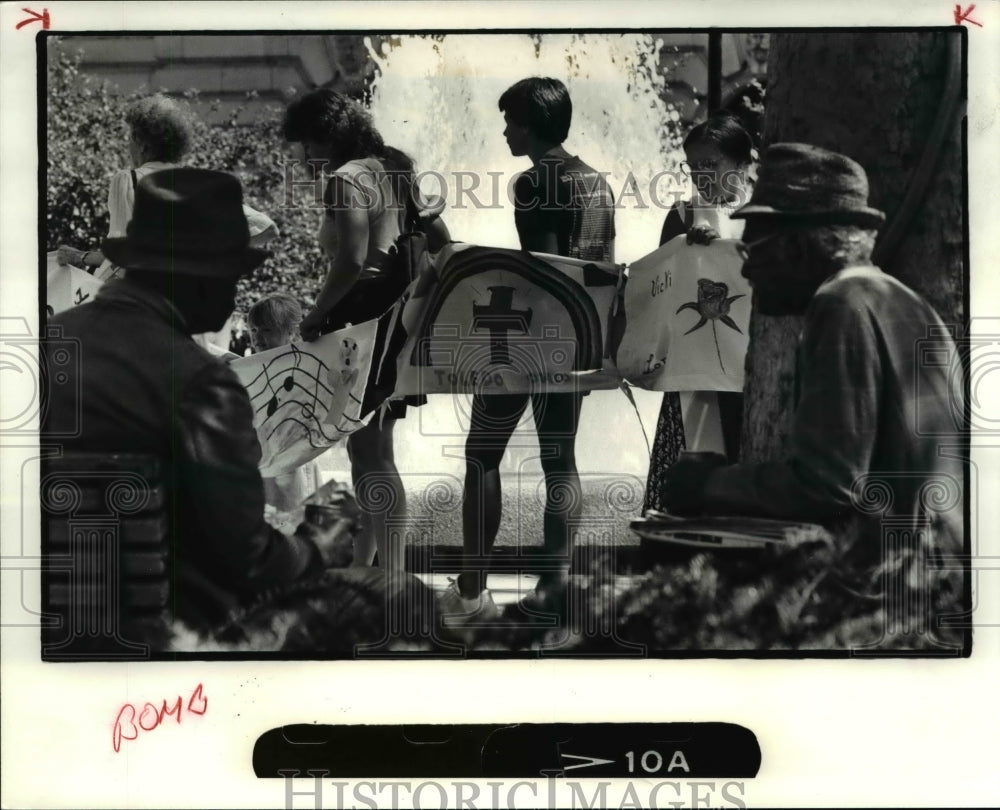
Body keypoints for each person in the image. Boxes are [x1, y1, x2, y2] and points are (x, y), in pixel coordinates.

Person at [43, 168, 348, 636]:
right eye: (230, 277)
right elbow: (246, 558)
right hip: (154, 631)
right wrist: (318, 543)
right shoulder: (200, 383)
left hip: (47, 620)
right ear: (198, 278)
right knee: (383, 607)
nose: (231, 300)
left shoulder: (51, 341)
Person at [660, 143, 963, 572]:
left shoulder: (839, 306)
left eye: (752, 252)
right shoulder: (899, 299)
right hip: (930, 564)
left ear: (798, 247)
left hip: (896, 583)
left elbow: (826, 486)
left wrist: (710, 484)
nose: (746, 272)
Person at [441, 77, 617, 620]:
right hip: (583, 335)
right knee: (560, 459)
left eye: (511, 121)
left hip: (530, 338)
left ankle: (472, 592)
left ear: (532, 125)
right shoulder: (597, 182)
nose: (504, 131)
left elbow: (545, 271)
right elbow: (603, 267)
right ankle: (553, 588)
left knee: (480, 456)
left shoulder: (533, 182)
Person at [282, 88, 450, 573]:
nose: (303, 155)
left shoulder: (346, 178)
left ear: (324, 138)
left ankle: (392, 574)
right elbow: (441, 239)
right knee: (370, 448)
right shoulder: (391, 170)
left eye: (305, 143)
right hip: (394, 317)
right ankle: (367, 566)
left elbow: (351, 260)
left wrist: (315, 315)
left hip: (360, 319)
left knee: (371, 451)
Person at [646, 114, 755, 512]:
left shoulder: (761, 216)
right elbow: (660, 290)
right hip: (699, 370)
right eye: (692, 167)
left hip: (751, 371)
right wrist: (688, 250)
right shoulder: (681, 216)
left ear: (743, 163)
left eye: (711, 165)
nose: (700, 177)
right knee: (698, 463)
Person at [57, 94, 193, 280]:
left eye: (130, 137)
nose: (127, 145)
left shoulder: (129, 180)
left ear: (143, 145)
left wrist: (81, 257)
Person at [246, 292, 320, 513]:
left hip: (294, 450)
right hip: (263, 451)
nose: (258, 337)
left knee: (292, 504)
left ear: (290, 331)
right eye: (254, 330)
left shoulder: (301, 363)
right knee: (265, 505)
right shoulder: (252, 366)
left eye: (267, 330)